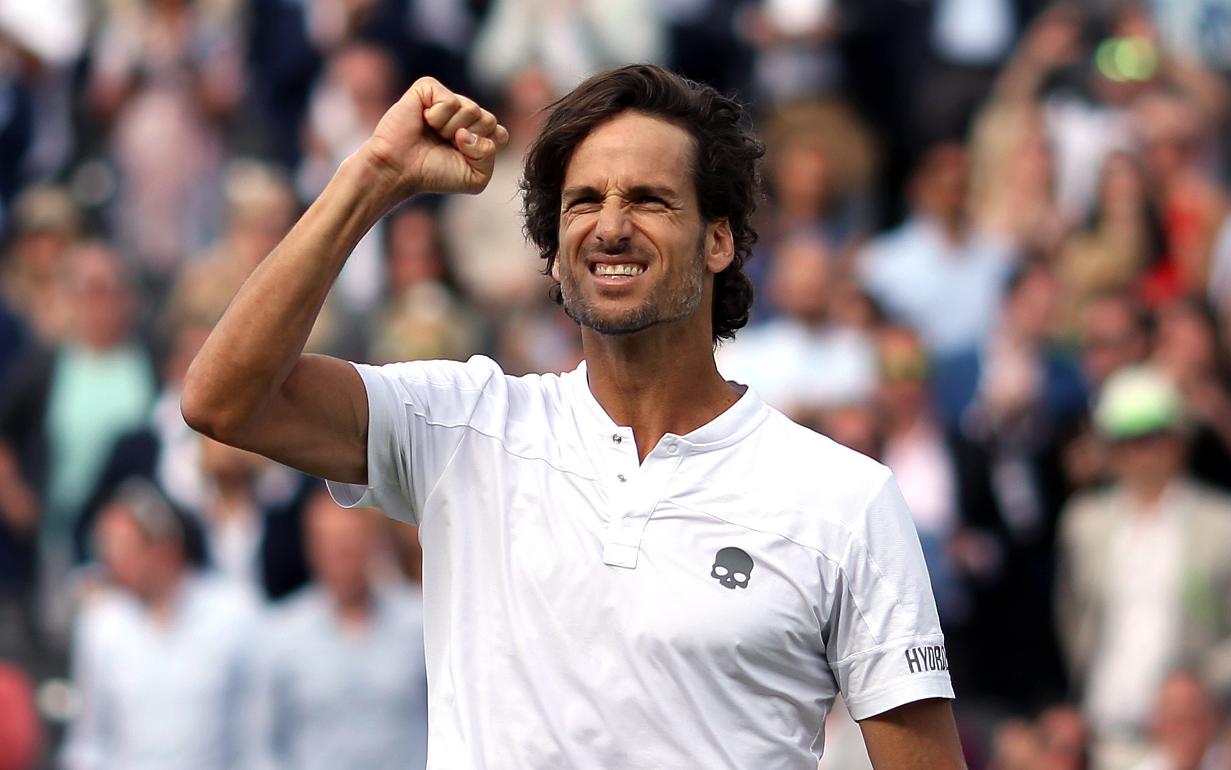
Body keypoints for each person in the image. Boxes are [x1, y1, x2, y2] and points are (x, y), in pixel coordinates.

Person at [182, 64, 963, 768]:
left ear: (719, 239)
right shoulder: (463, 427)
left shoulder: (844, 499)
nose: (611, 224)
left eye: (650, 199)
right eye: (584, 201)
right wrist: (374, 175)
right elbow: (224, 400)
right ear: (554, 252)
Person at [1055, 366, 1231, 770]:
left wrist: (1199, 687)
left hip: (1192, 743)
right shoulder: (1084, 523)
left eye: (1154, 435)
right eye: (1128, 439)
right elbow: (1071, 618)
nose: (1143, 451)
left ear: (1179, 438)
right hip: (1101, 737)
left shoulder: (1228, 526)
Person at [61, 479, 258, 770]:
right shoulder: (100, 623)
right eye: (107, 548)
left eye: (124, 548)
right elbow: (88, 740)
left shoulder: (234, 613)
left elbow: (254, 735)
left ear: (165, 549)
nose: (111, 561)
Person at [244, 490, 427, 770]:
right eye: (332, 546)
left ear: (372, 543)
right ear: (311, 548)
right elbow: (261, 742)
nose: (343, 558)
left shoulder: (419, 623)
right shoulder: (281, 636)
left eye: (351, 544)